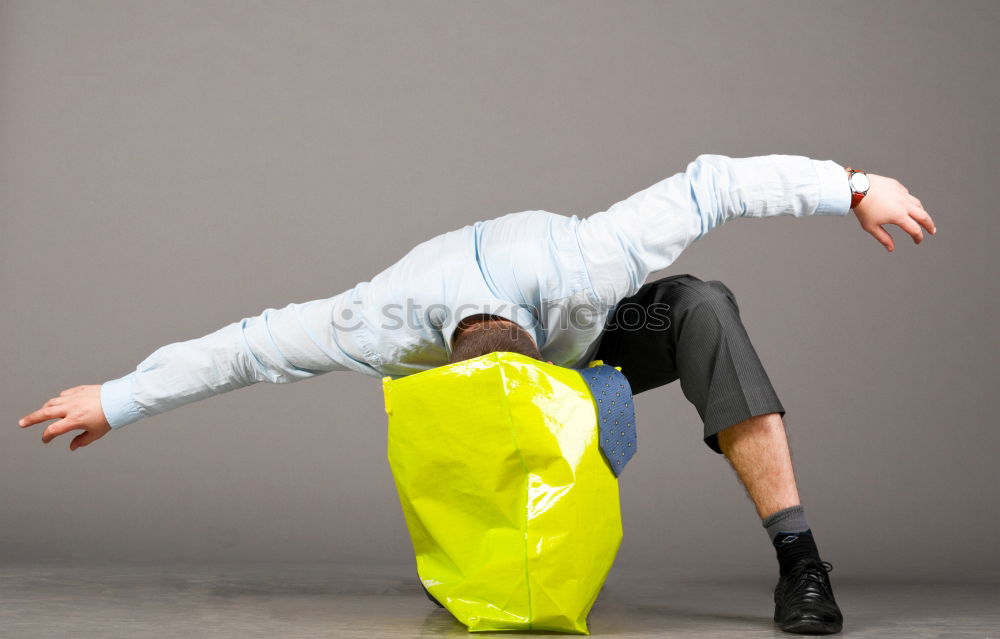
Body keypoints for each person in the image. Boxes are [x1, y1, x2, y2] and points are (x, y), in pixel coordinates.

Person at [18, 153, 935, 635]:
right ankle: (481, 568)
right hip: (483, 362)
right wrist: (121, 396)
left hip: (596, 334)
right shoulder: (378, 319)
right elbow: (247, 347)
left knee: (702, 306)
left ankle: (800, 558)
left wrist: (853, 185)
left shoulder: (596, 253)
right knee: (480, 453)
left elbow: (716, 184)